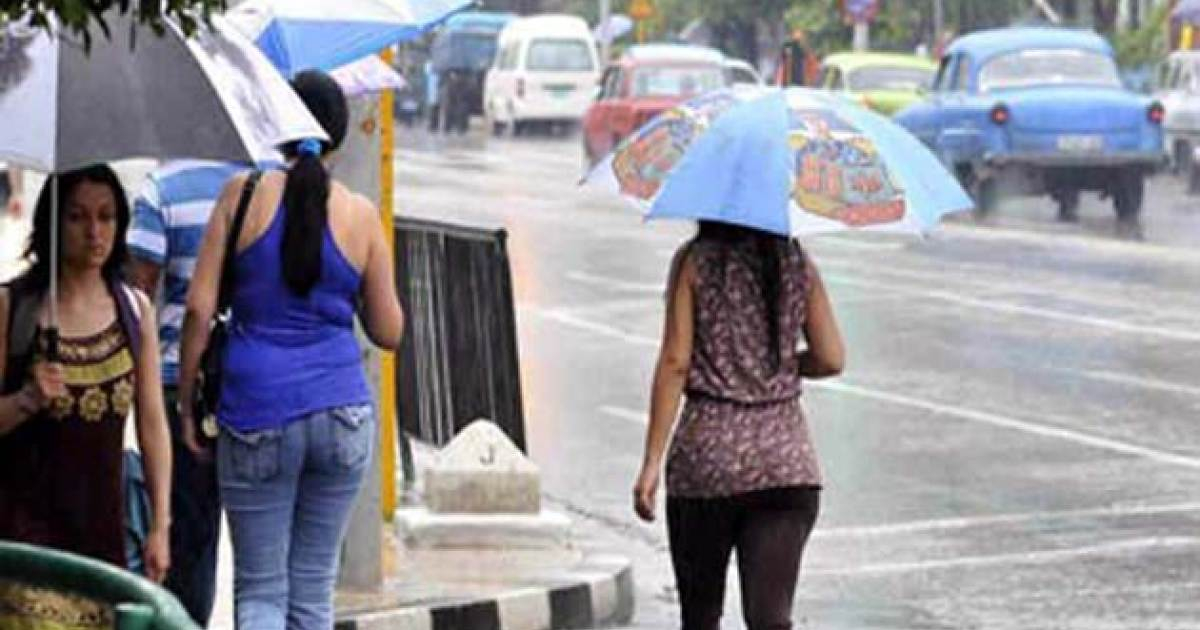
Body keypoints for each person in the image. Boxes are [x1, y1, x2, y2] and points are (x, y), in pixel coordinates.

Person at [178, 69, 404, 630]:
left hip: (256, 412)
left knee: (259, 593)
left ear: (275, 122)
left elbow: (198, 312)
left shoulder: (241, 196)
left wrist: (187, 404)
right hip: (342, 416)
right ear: (341, 135)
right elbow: (389, 330)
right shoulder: (360, 216)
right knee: (311, 597)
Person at [632, 220, 844, 630]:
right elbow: (832, 357)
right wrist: (780, 367)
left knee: (700, 616)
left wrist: (651, 462)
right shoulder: (798, 263)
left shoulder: (695, 262)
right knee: (770, 618)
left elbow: (676, 362)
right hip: (785, 468)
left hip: (707, 467)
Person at [0, 164, 172, 577]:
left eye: (106, 216)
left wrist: (160, 525)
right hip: (23, 540)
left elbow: (151, 423)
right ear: (54, 223)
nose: (95, 232)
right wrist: (27, 400)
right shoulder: (14, 307)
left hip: (104, 537)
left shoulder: (134, 310)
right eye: (77, 217)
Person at [126, 159, 269, 626]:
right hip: (255, 384)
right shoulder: (268, 184)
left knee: (190, 541)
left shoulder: (160, 190)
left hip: (176, 384)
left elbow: (138, 299)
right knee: (262, 551)